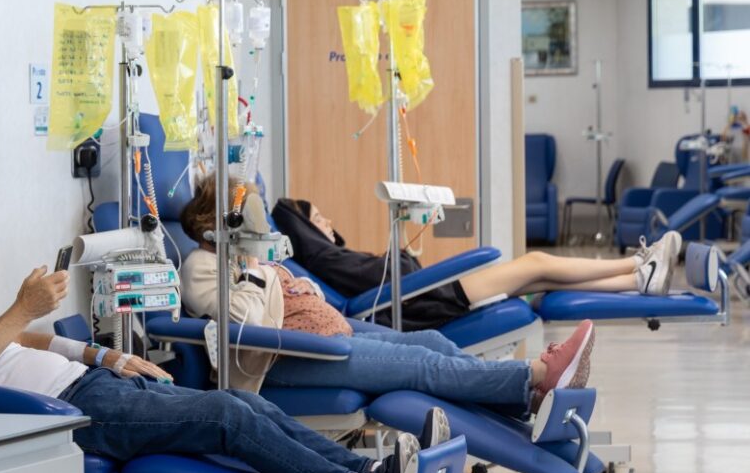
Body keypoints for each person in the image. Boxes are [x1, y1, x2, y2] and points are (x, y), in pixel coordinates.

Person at [0, 219, 446, 473]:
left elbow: (15, 339)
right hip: (76, 414)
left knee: (240, 403)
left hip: (95, 385)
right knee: (228, 415)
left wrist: (101, 355)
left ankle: (369, 472)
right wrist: (23, 307)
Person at [177, 181, 596, 414]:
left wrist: (284, 281)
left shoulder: (243, 260)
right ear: (219, 225)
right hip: (284, 361)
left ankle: (519, 402)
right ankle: (536, 375)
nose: (259, 227)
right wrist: (256, 269)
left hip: (322, 335)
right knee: (421, 365)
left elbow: (290, 296)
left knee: (430, 342)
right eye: (250, 218)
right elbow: (247, 320)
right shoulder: (201, 266)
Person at [272, 196, 682, 331]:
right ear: (306, 230)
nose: (328, 222)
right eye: (319, 218)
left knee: (541, 277)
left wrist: (402, 256)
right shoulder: (327, 257)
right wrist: (402, 256)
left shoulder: (330, 256)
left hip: (427, 294)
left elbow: (387, 271)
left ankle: (637, 277)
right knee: (536, 262)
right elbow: (387, 277)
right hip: (426, 302)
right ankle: (634, 261)